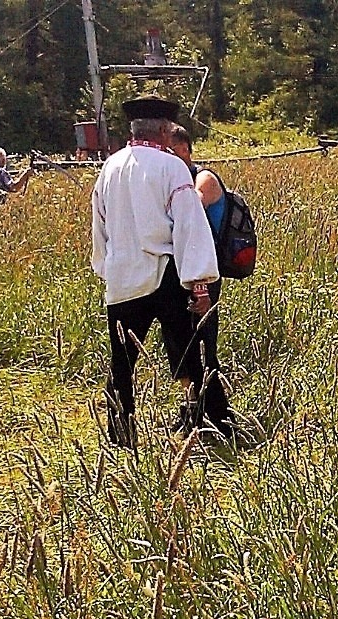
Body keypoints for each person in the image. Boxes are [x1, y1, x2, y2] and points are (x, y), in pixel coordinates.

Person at [90, 97, 221, 447]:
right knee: (189, 352)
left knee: (122, 362)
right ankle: (206, 426)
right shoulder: (172, 167)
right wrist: (200, 284)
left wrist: (107, 267)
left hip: (121, 277)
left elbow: (99, 225)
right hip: (163, 274)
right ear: (164, 131)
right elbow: (188, 228)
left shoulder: (109, 167)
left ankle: (121, 436)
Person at [168, 126, 234, 440]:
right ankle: (191, 408)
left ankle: (218, 417)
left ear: (186, 150)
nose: (169, 158)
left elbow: (190, 211)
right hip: (183, 273)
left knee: (204, 342)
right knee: (182, 343)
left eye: (174, 151)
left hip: (206, 274)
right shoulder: (175, 181)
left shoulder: (203, 178)